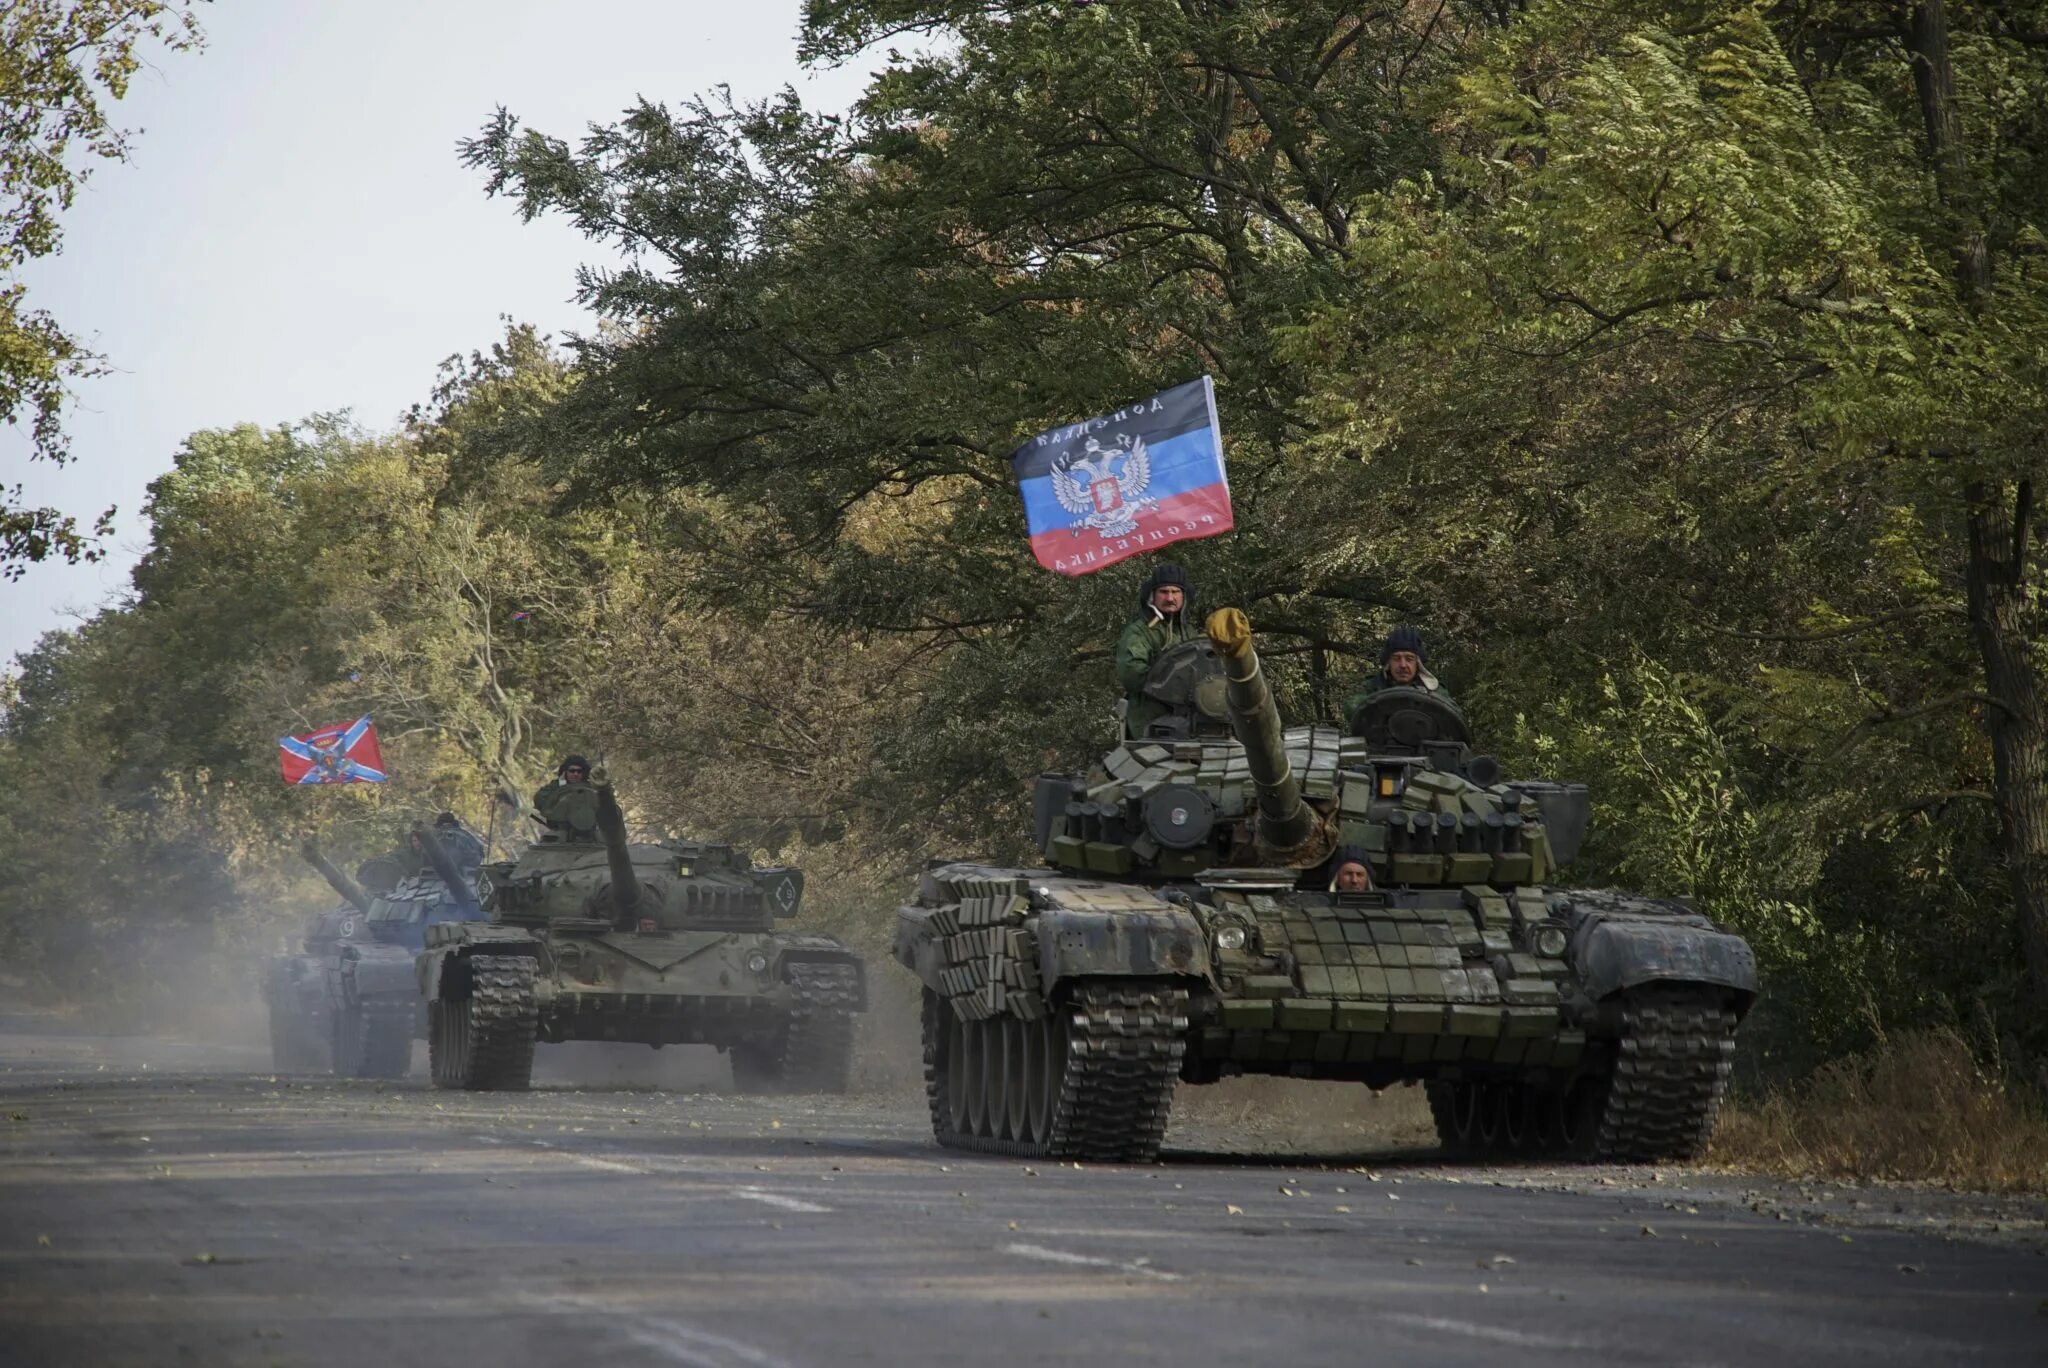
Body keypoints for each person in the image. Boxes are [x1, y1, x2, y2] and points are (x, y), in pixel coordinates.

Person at [1115, 562, 1197, 737]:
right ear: (1152, 596)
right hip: (1150, 726)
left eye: (1175, 592)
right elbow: (1132, 676)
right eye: (1163, 592)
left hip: (1190, 725)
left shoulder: (1190, 633)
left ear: (1184, 596)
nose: (1170, 598)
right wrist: (1176, 683)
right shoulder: (1139, 632)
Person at [1344, 625, 1455, 723]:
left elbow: (1455, 715)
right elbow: (1351, 709)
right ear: (1388, 663)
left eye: (1409, 658)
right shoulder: (1371, 686)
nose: (1403, 665)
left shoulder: (1433, 689)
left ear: (1418, 663)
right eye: (1396, 658)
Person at [532, 755, 596, 830]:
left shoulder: (590, 788)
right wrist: (561, 789)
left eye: (579, 771)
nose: (576, 774)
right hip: (560, 830)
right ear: (565, 772)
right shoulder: (556, 785)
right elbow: (539, 798)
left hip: (590, 832)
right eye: (572, 771)